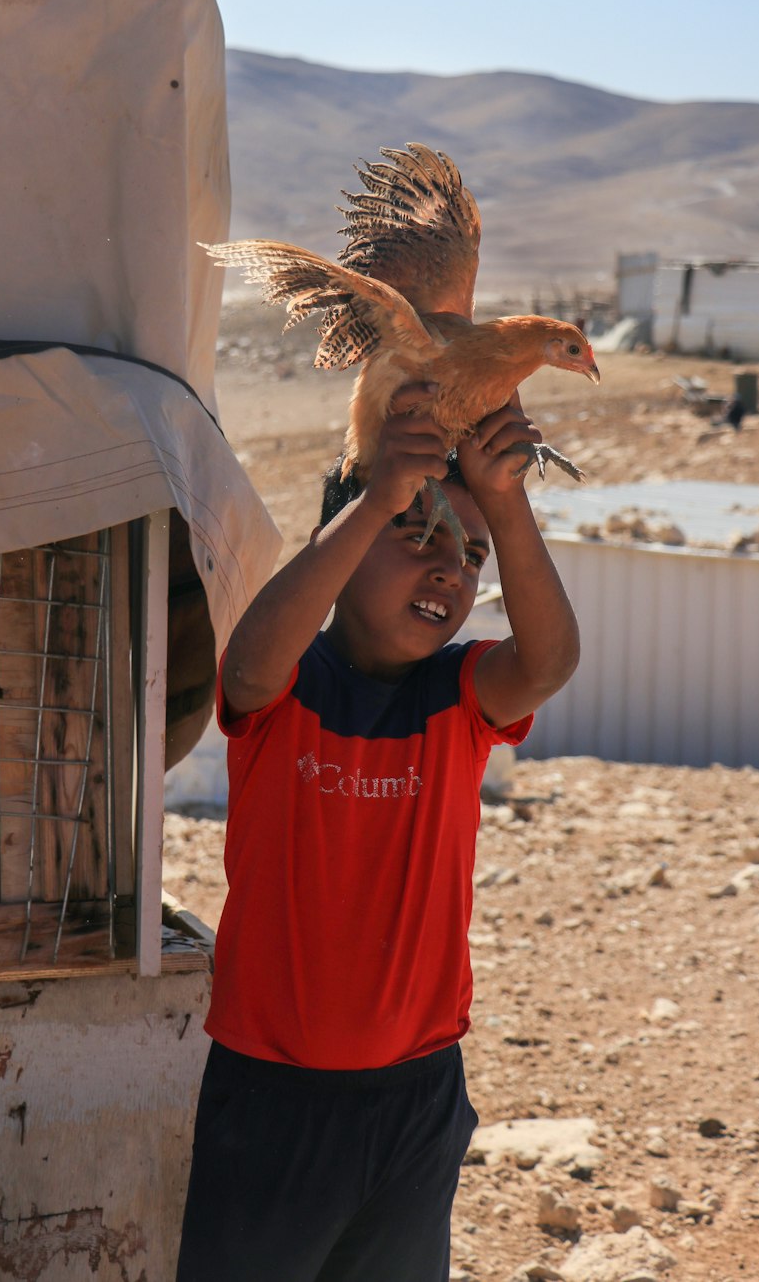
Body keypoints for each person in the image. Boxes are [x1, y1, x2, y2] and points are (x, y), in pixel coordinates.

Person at [176, 383, 580, 1282]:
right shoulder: (288, 682)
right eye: (417, 532)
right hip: (273, 1101)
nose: (451, 569)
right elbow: (244, 665)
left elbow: (549, 662)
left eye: (470, 555)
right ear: (347, 540)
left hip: (417, 1098)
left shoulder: (461, 694)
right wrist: (376, 495)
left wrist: (504, 506)